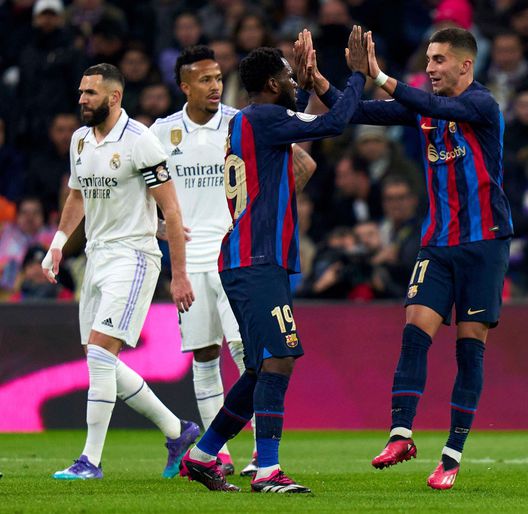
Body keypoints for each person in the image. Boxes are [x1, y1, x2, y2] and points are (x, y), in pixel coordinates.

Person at [299, 26, 513, 490]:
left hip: (484, 243)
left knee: (469, 348)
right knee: (415, 332)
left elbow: (432, 105)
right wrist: (319, 82)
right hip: (437, 242)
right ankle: (401, 435)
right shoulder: (424, 108)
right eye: (429, 59)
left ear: (465, 65)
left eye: (439, 60)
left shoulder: (482, 104)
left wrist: (378, 74)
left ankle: (451, 456)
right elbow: (358, 111)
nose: (430, 68)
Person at [178, 26, 370, 493]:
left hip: (250, 259)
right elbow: (333, 124)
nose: (292, 81)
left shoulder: (250, 121)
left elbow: (301, 129)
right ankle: (267, 470)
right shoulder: (264, 118)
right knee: (280, 358)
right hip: (256, 258)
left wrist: (308, 85)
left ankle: (202, 455)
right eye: (286, 75)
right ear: (269, 84)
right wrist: (357, 76)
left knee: (260, 367)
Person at [151, 45, 317, 477]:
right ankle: (216, 455)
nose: (214, 86)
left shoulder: (242, 120)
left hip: (237, 250)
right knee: (206, 355)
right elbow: (139, 187)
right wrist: (157, 228)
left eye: (218, 78)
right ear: (184, 86)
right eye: (204, 80)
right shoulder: (163, 132)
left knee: (251, 352)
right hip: (192, 257)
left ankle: (260, 455)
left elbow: (303, 163)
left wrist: (263, 211)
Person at [44, 63, 199, 480]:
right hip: (95, 256)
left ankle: (90, 461)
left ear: (114, 97)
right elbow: (78, 195)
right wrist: (58, 242)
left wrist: (179, 275)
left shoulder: (140, 141)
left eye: (90, 93)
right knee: (99, 359)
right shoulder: (80, 140)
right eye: (81, 92)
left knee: (99, 355)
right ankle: (177, 431)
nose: (82, 99)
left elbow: (171, 210)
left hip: (133, 257)